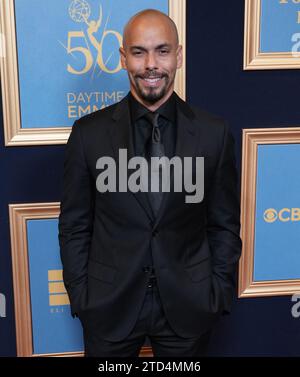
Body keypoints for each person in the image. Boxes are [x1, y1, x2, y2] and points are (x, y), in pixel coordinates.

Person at [58, 9, 242, 357]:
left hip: (189, 309)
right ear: (123, 57)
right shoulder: (88, 135)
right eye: (139, 52)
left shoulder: (212, 134)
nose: (151, 64)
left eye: (162, 50)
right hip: (109, 307)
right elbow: (74, 226)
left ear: (179, 55)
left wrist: (216, 293)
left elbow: (224, 225)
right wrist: (84, 296)